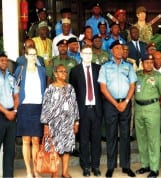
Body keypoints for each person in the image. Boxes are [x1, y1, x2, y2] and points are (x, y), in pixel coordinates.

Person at [98, 40, 137, 178]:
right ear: (112, 51)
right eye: (117, 48)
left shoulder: (129, 67)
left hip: (125, 104)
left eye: (122, 48)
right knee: (111, 136)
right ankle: (111, 166)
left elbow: (132, 85)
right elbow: (103, 88)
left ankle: (126, 166)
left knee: (126, 136)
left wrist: (125, 102)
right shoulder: (105, 67)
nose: (120, 51)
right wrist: (116, 104)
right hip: (111, 105)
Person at [40, 64, 79, 178]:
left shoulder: (70, 88)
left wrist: (76, 121)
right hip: (54, 124)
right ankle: (54, 173)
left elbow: (74, 105)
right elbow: (45, 107)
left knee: (67, 148)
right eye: (61, 71)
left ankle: (65, 172)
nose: (64, 73)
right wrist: (46, 124)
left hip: (68, 123)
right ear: (55, 74)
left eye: (65, 71)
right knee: (54, 149)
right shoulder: (50, 88)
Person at [69, 45, 103, 177]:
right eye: (86, 53)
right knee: (83, 140)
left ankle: (95, 166)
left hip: (96, 109)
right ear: (81, 55)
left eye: (90, 53)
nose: (88, 55)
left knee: (96, 140)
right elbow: (72, 93)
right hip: (82, 110)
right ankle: (86, 167)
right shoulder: (75, 71)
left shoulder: (98, 69)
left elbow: (102, 89)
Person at [14, 46, 46, 178]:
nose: (33, 57)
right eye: (30, 54)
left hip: (38, 107)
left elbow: (44, 88)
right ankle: (29, 171)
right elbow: (15, 88)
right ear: (25, 56)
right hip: (25, 107)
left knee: (36, 140)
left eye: (35, 55)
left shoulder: (42, 70)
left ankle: (37, 170)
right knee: (26, 140)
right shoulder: (20, 70)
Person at [134, 54, 161, 178]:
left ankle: (154, 168)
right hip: (138, 108)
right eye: (146, 62)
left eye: (151, 62)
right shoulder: (137, 75)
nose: (149, 64)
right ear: (142, 63)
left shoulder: (158, 76)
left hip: (152, 109)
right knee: (141, 138)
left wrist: (156, 104)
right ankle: (145, 165)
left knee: (153, 139)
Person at [0, 52, 19, 177]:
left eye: (6, 60)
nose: (4, 63)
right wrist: (6, 112)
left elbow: (16, 96)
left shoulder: (11, 77)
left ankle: (8, 175)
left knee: (10, 149)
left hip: (12, 114)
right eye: (1, 60)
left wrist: (14, 111)